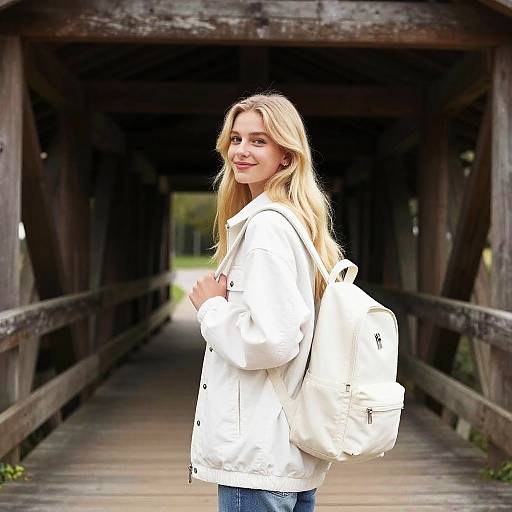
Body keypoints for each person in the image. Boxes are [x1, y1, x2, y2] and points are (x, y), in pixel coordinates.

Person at [188, 91, 345, 512]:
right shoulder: (295, 223)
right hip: (282, 449)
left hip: (256, 455)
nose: (241, 150)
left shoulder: (267, 230)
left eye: (259, 141)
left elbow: (272, 341)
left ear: (287, 156)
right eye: (236, 139)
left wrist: (211, 309)